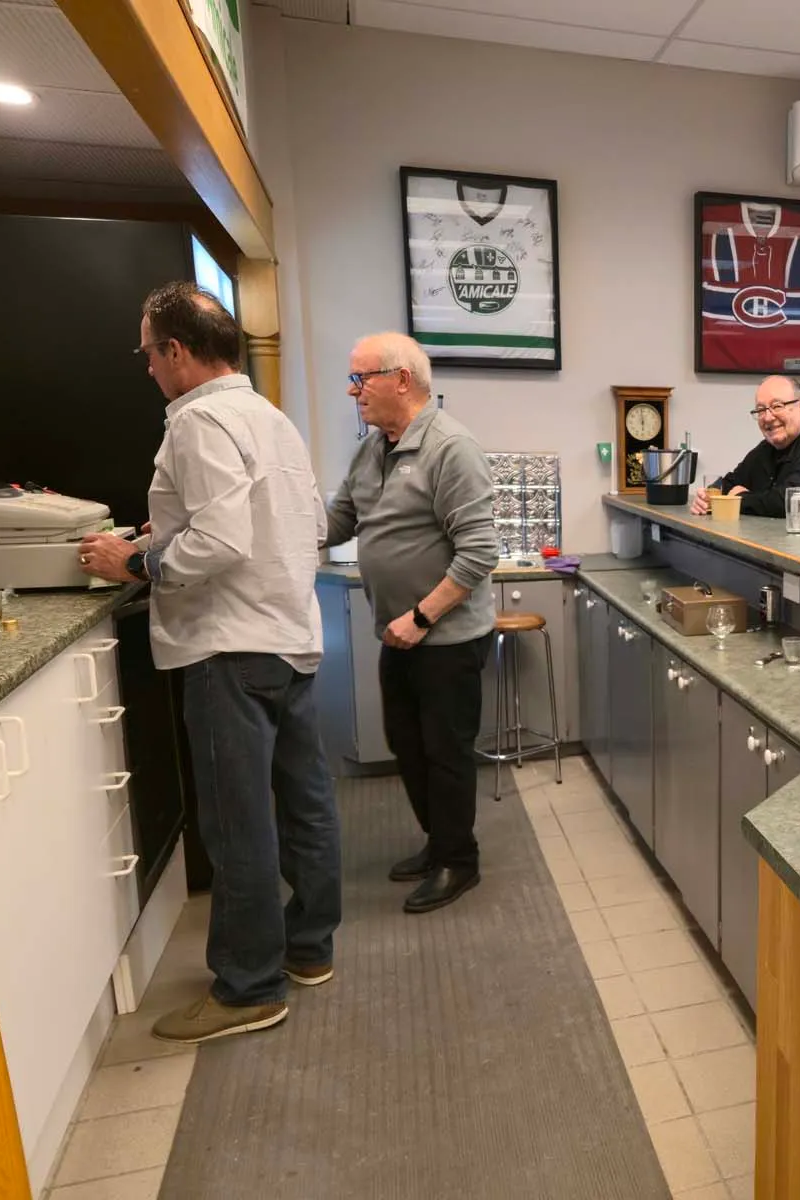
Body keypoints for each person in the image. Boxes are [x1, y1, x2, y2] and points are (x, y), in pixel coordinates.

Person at [79, 282, 341, 1044]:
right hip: (289, 633)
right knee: (304, 801)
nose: (148, 368)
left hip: (230, 644)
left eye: (149, 353)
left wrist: (136, 564)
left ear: (179, 351)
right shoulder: (269, 417)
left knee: (238, 822)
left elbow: (221, 542)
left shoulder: (197, 422)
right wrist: (169, 532)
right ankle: (306, 947)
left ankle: (248, 988)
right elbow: (296, 524)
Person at [325, 333, 498, 915]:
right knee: (407, 744)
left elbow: (478, 553)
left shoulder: (452, 448)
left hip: (445, 636)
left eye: (361, 378)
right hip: (398, 635)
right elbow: (339, 520)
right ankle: (439, 843)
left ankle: (459, 861)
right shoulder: (372, 449)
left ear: (402, 379)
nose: (353, 391)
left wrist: (422, 616)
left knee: (446, 751)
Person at [688, 375, 800, 523]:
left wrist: (739, 499)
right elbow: (730, 483)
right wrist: (708, 496)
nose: (768, 417)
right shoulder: (768, 447)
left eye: (777, 406)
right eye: (761, 410)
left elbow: (786, 504)